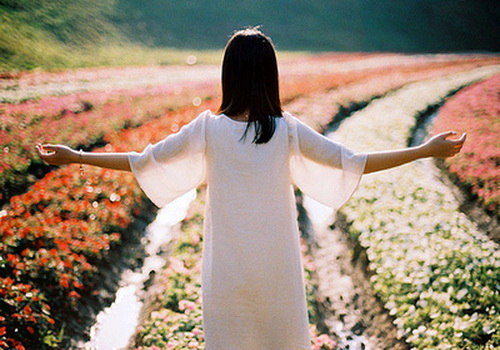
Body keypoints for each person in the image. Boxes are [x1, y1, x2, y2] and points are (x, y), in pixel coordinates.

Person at [36, 28, 466, 349]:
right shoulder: (287, 130)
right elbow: (353, 161)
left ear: (230, 74)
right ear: (269, 76)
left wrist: (76, 155)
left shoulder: (207, 129)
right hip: (277, 271)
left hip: (227, 271)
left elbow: (142, 160)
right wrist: (423, 149)